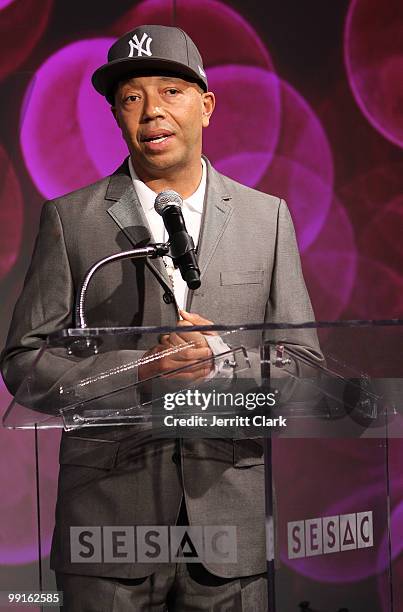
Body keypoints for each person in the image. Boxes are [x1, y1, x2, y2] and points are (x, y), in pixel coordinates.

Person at [1, 25, 323, 611]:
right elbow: (26, 362)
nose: (151, 111)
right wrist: (143, 370)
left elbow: (305, 366)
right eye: (130, 97)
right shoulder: (72, 221)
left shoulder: (266, 219)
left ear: (206, 107)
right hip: (105, 530)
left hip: (229, 533)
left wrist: (222, 362)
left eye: (170, 91)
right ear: (117, 117)